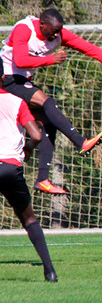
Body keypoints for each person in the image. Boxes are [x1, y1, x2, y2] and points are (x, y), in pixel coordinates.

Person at [1, 9, 102, 194]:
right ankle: (81, 142)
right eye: (53, 31)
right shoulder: (24, 29)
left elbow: (90, 49)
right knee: (49, 103)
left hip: (22, 81)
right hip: (6, 79)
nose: (56, 35)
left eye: (59, 31)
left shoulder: (59, 35)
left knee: (48, 123)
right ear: (42, 24)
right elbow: (20, 59)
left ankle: (42, 179)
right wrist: (51, 59)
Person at [0, 89, 55, 281]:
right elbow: (37, 135)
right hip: (10, 167)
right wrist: (27, 149)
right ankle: (50, 272)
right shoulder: (16, 102)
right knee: (29, 219)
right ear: (2, 77)